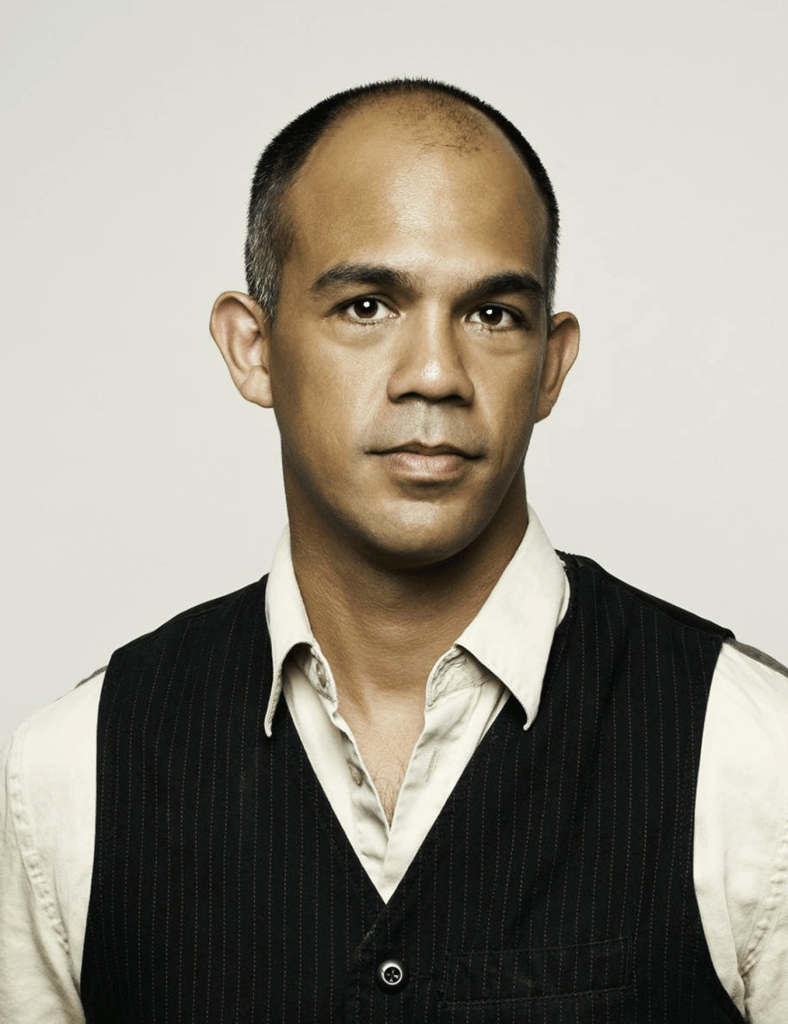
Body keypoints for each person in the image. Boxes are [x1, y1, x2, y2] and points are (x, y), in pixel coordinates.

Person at [1, 78, 786, 1023]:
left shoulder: (753, 754)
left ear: (551, 364)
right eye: (368, 306)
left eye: (492, 314)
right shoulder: (72, 772)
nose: (435, 375)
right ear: (252, 347)